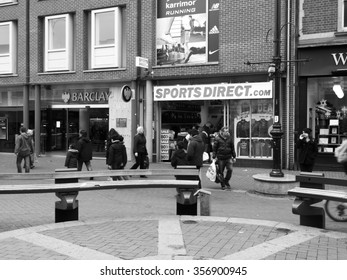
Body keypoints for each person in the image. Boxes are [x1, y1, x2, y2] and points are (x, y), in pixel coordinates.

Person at [212, 126, 236, 190]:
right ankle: (223, 184)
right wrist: (214, 157)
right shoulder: (217, 139)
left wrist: (234, 156)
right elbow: (214, 149)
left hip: (228, 157)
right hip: (220, 158)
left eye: (227, 131)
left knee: (230, 169)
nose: (227, 132)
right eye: (225, 131)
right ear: (222, 132)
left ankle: (226, 180)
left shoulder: (230, 138)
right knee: (221, 171)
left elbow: (232, 148)